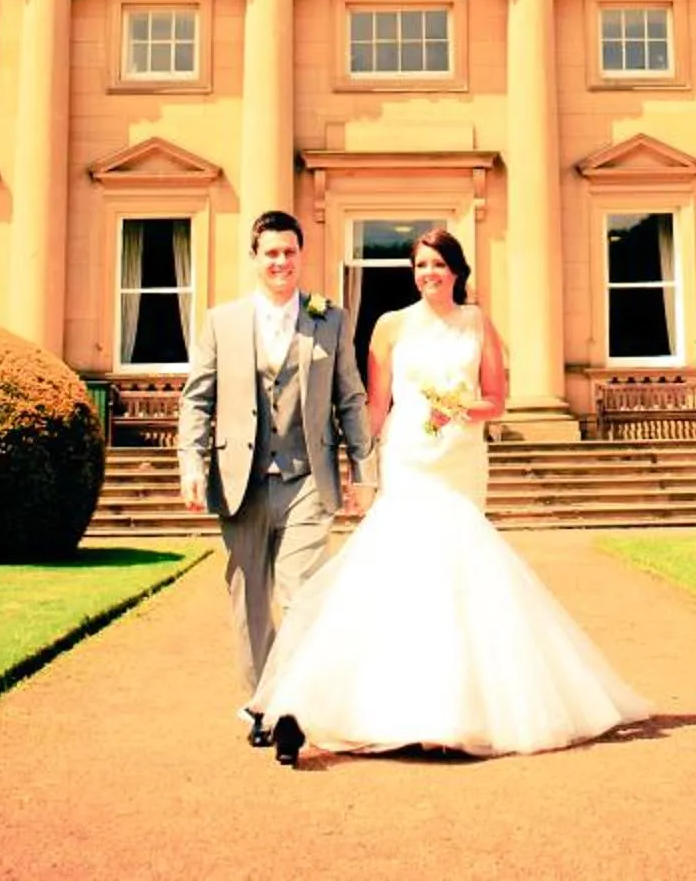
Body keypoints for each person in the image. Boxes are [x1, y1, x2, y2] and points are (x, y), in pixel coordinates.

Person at [253, 227, 652, 765]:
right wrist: (360, 467)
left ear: (456, 271)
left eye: (437, 265)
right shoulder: (390, 326)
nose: (428, 274)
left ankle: (460, 710)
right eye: (420, 266)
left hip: (460, 460)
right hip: (408, 457)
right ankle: (392, 705)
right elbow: (374, 406)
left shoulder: (477, 322)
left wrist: (463, 407)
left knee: (462, 571)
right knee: (403, 571)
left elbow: (498, 401)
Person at [178, 210, 377, 750]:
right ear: (255, 258)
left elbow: (351, 398)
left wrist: (364, 470)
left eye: (289, 252)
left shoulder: (328, 318)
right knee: (250, 599)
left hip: (308, 476)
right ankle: (260, 705)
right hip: (238, 480)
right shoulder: (222, 321)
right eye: (271, 253)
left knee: (301, 593)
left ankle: (289, 703)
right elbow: (197, 399)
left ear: (301, 255)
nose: (281, 262)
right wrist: (192, 465)